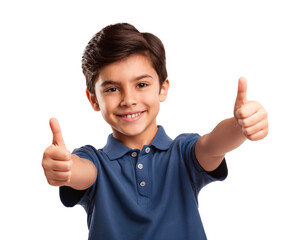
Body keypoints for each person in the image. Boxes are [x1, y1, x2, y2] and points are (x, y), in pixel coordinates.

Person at [42, 23, 268, 240]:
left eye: (141, 85)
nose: (129, 100)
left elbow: (213, 145)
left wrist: (239, 127)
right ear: (93, 100)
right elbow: (82, 173)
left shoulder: (183, 152)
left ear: (162, 88)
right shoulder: (93, 161)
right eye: (112, 89)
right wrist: (66, 168)